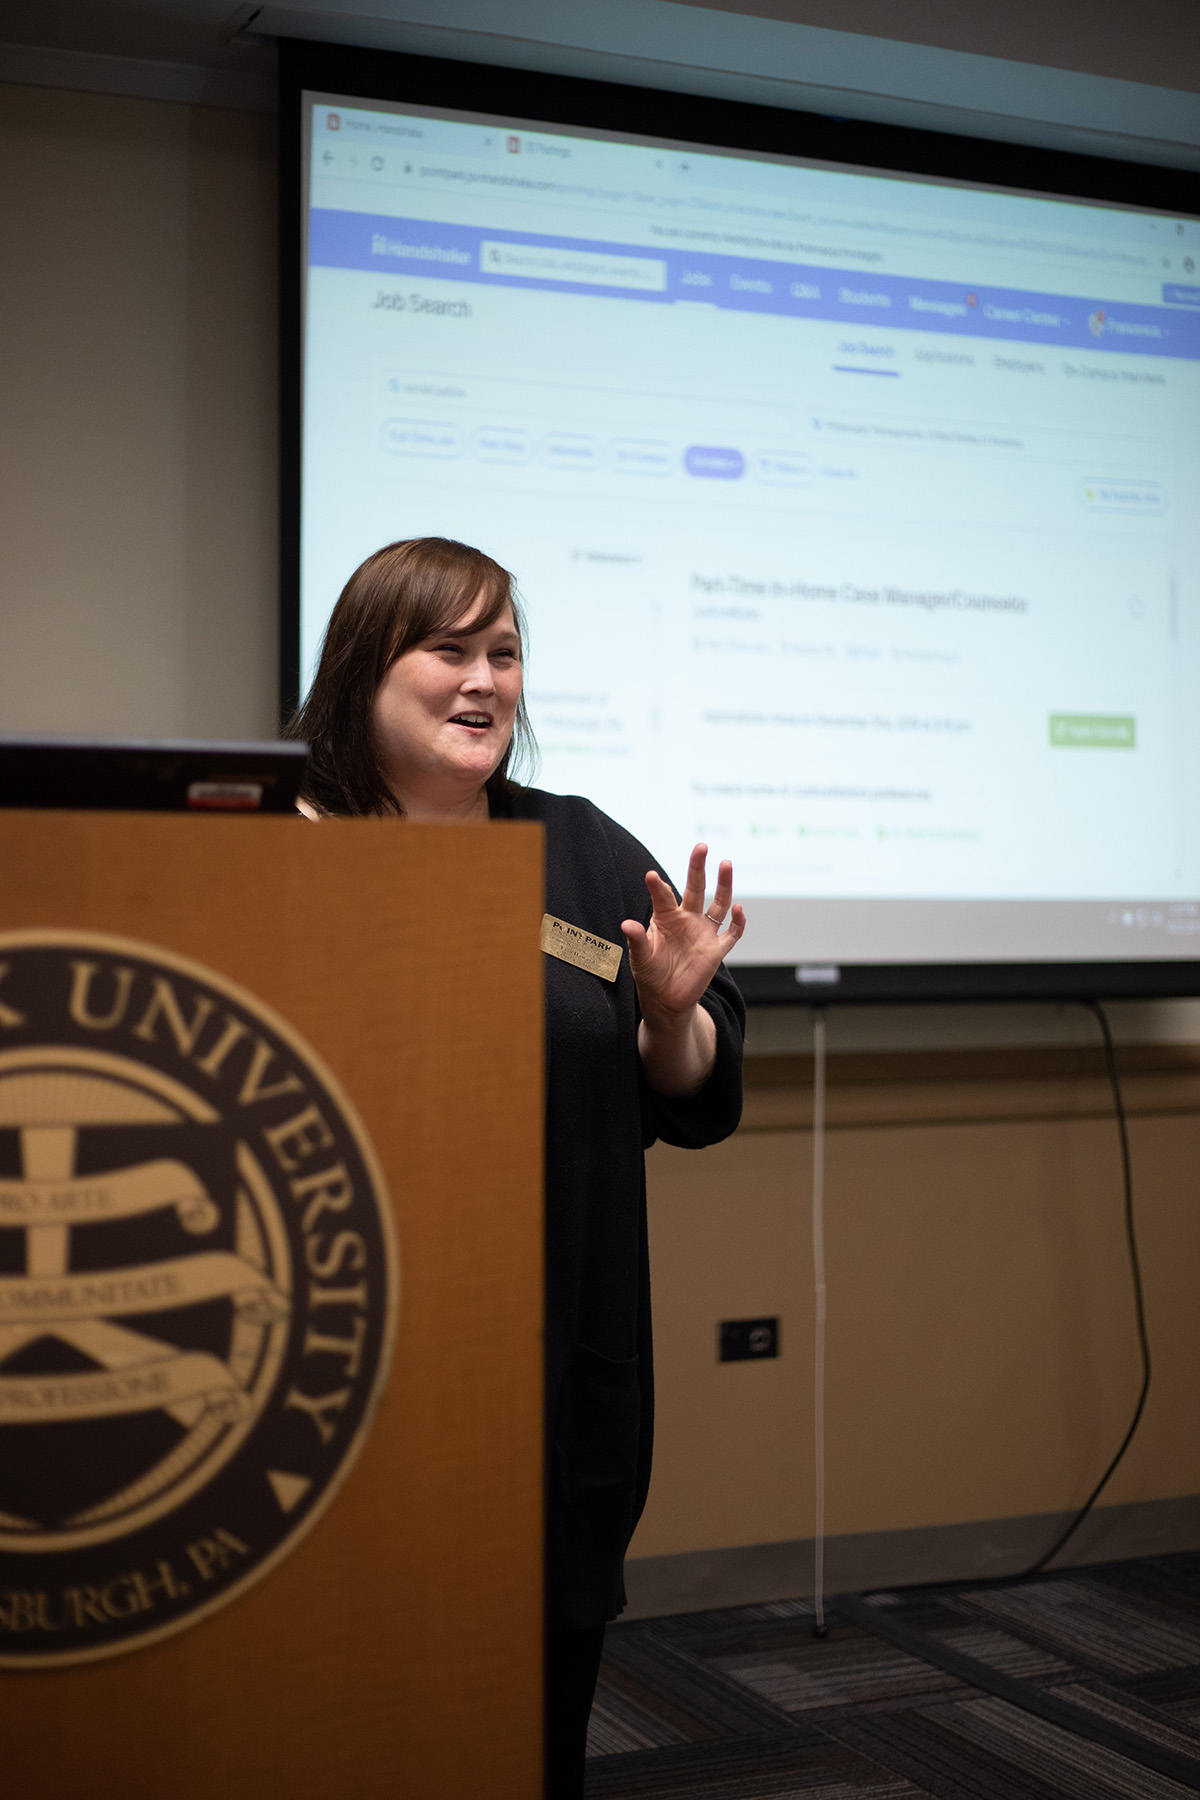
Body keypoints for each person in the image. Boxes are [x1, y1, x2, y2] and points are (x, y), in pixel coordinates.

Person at [289, 537, 746, 1798]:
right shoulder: (270, 849)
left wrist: (667, 1015)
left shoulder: (582, 851)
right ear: (363, 670)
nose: (485, 677)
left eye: (504, 651)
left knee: (526, 1738)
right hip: (325, 1380)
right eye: (450, 649)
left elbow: (697, 1088)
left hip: (545, 1384)